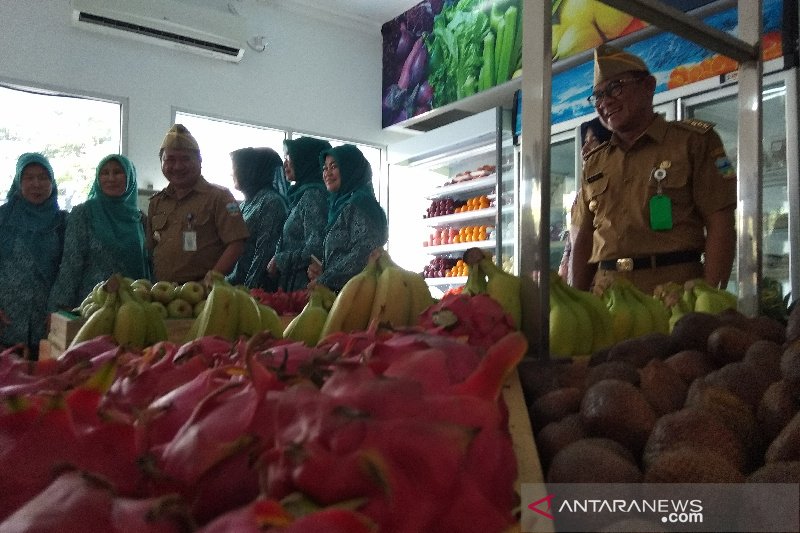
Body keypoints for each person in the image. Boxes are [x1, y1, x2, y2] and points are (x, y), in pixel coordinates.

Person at [569, 44, 737, 295]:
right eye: (598, 95)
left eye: (616, 88)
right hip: (607, 296)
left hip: (674, 294)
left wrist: (709, 298)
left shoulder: (693, 142)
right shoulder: (595, 162)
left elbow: (720, 222)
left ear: (648, 86)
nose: (605, 102)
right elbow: (582, 237)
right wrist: (578, 301)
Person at [146, 124, 249, 283]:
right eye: (170, 159)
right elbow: (152, 249)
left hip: (204, 294)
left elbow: (236, 244)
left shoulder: (220, 197)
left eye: (185, 159)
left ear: (200, 161)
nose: (178, 166)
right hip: (162, 293)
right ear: (161, 162)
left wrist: (209, 281)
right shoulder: (157, 202)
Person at [48, 154, 150, 311]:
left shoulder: (139, 218)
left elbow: (148, 265)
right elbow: (71, 263)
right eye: (104, 173)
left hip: (134, 306)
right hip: (92, 307)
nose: (111, 178)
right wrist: (59, 308)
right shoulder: (83, 214)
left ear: (130, 177)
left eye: (117, 172)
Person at [0, 153, 66, 358]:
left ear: (52, 182)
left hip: (46, 319)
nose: (36, 183)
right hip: (6, 317)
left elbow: (68, 270)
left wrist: (57, 311)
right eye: (29, 177)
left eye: (43, 177)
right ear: (18, 181)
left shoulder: (64, 222)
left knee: (42, 382)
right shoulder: (3, 218)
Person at [307, 144, 388, 292]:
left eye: (334, 167)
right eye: (325, 168)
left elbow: (365, 252)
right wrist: (324, 270)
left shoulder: (361, 202)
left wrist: (326, 279)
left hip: (360, 296)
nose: (327, 173)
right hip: (343, 293)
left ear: (350, 168)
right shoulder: (339, 205)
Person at [267, 137, 331, 291]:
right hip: (293, 285)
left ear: (305, 159)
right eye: (284, 158)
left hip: (305, 288)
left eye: (289, 157)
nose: (285, 163)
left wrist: (280, 259)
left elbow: (316, 247)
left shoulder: (313, 195)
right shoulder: (300, 195)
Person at [226, 147, 288, 290]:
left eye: (235, 168)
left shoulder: (271, 202)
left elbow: (263, 253)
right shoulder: (247, 203)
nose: (231, 173)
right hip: (233, 285)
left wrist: (249, 292)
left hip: (253, 292)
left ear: (251, 170)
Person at [558, 118, 612, 281]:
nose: (585, 149)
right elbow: (574, 243)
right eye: (585, 142)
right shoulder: (583, 192)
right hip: (581, 278)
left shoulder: (615, 187)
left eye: (593, 141)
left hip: (605, 280)